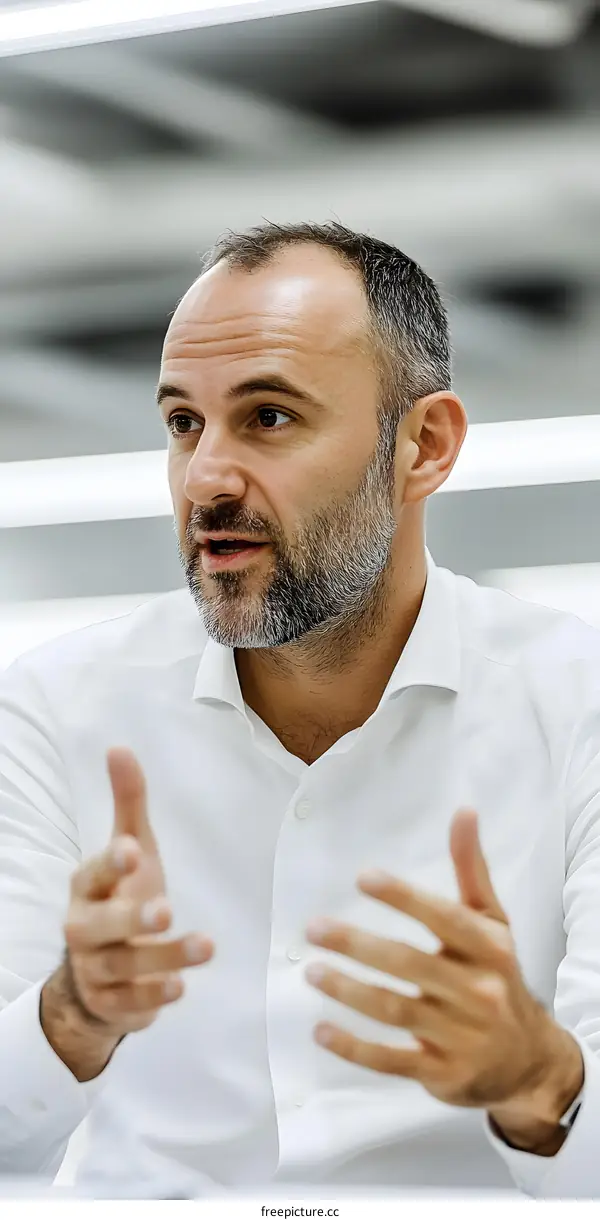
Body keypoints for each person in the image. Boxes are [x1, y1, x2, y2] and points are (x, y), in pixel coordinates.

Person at [0, 222, 599, 1199]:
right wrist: (69, 1015)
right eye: (184, 422)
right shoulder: (55, 704)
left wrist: (538, 1077)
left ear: (426, 445)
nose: (205, 477)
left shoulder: (580, 704)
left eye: (269, 416)